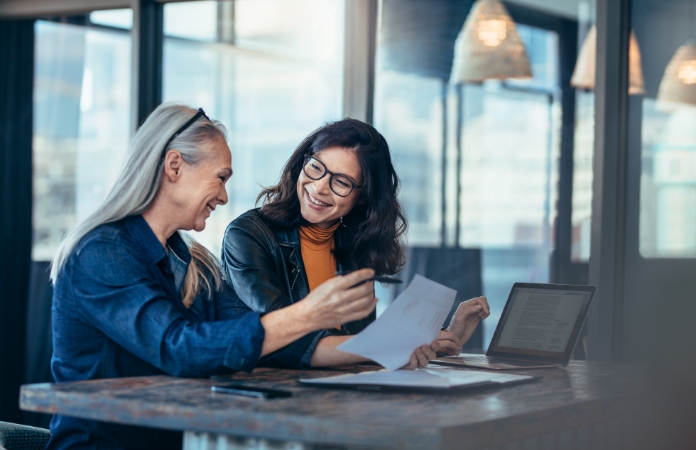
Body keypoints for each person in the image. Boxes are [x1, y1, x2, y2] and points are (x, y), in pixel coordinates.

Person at [47, 104, 449, 450]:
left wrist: (396, 344)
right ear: (174, 166)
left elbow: (267, 344)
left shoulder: (192, 261)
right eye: (221, 177)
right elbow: (177, 348)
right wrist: (308, 314)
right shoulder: (102, 252)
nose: (224, 196)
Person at [221, 118, 490, 349]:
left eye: (341, 182)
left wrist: (440, 339)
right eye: (315, 167)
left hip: (339, 390)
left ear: (363, 198)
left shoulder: (355, 246)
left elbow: (361, 347)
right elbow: (283, 333)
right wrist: (398, 343)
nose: (319, 187)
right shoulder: (248, 234)